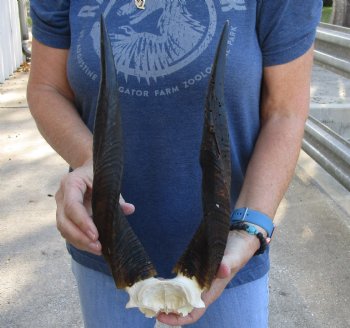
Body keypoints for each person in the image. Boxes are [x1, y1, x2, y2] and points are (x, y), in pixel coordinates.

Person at [27, 1, 322, 327]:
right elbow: (47, 87)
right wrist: (93, 162)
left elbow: (285, 111)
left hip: (228, 248)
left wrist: (250, 227)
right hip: (105, 244)